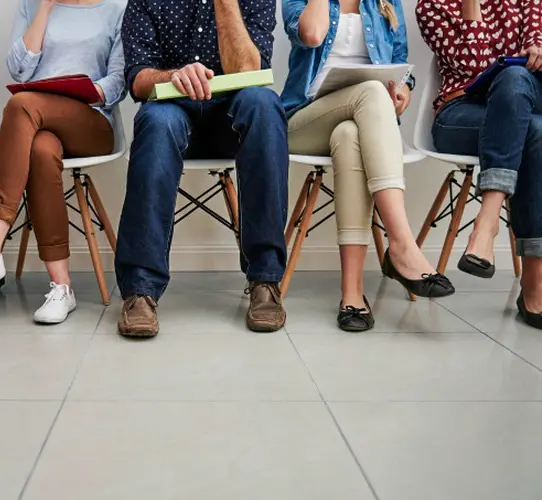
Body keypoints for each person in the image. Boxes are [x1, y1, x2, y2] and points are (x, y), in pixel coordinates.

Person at [0, 0, 125, 325]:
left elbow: (119, 79)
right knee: (41, 150)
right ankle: (62, 287)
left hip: (91, 121)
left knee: (21, 104)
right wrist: (44, 8)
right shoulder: (31, 7)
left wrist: (85, 92)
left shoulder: (116, 9)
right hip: (38, 124)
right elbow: (19, 69)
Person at [116, 0, 289, 338]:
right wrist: (173, 76)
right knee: (153, 118)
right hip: (173, 112)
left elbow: (249, 73)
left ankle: (265, 281)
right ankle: (140, 289)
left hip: (233, 119)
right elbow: (137, 79)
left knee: (265, 105)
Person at [281, 0, 455, 332]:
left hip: (363, 122)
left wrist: (403, 90)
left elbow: (402, 65)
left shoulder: (385, 2)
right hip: (304, 120)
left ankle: (353, 294)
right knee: (372, 93)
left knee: (349, 136)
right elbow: (313, 35)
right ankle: (402, 244)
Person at [417, 0, 542, 329]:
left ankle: (486, 224)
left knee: (517, 85)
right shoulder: (432, 6)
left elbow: (535, 43)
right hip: (460, 114)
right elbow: (475, 69)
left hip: (521, 103)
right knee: (533, 129)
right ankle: (534, 284)